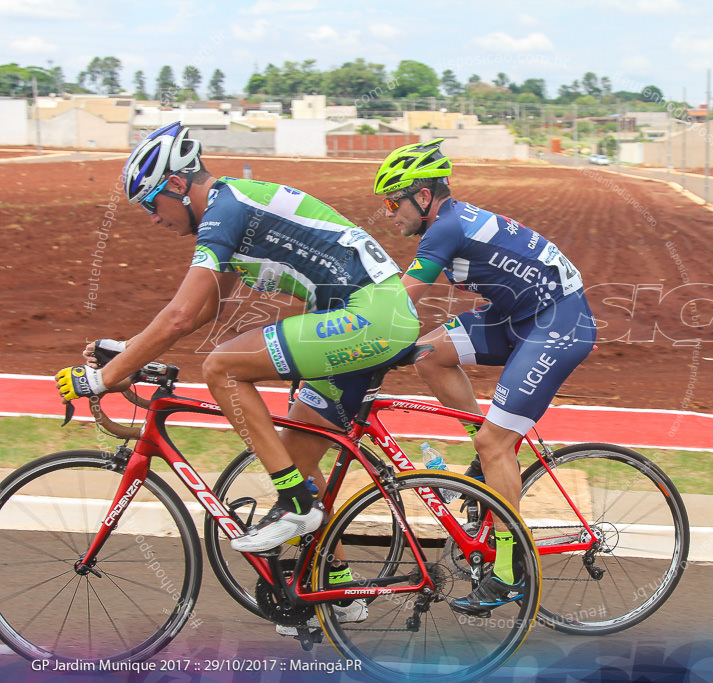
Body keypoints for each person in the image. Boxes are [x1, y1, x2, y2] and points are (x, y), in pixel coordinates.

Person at [54, 122, 420, 630]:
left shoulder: (224, 211)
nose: (152, 218)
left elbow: (182, 317)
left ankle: (293, 503)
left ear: (179, 185)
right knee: (295, 454)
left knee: (222, 368)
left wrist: (106, 378)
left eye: (151, 203)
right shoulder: (230, 211)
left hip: (368, 316)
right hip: (367, 317)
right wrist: (128, 353)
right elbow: (202, 310)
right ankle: (333, 585)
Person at [374, 138, 596, 615]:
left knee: (495, 443)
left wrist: (359, 343)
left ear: (424, 197)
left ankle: (510, 571)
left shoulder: (444, 229)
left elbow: (398, 301)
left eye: (394, 201)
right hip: (517, 315)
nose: (389, 213)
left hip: (557, 321)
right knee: (430, 356)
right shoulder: (447, 220)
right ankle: (485, 459)